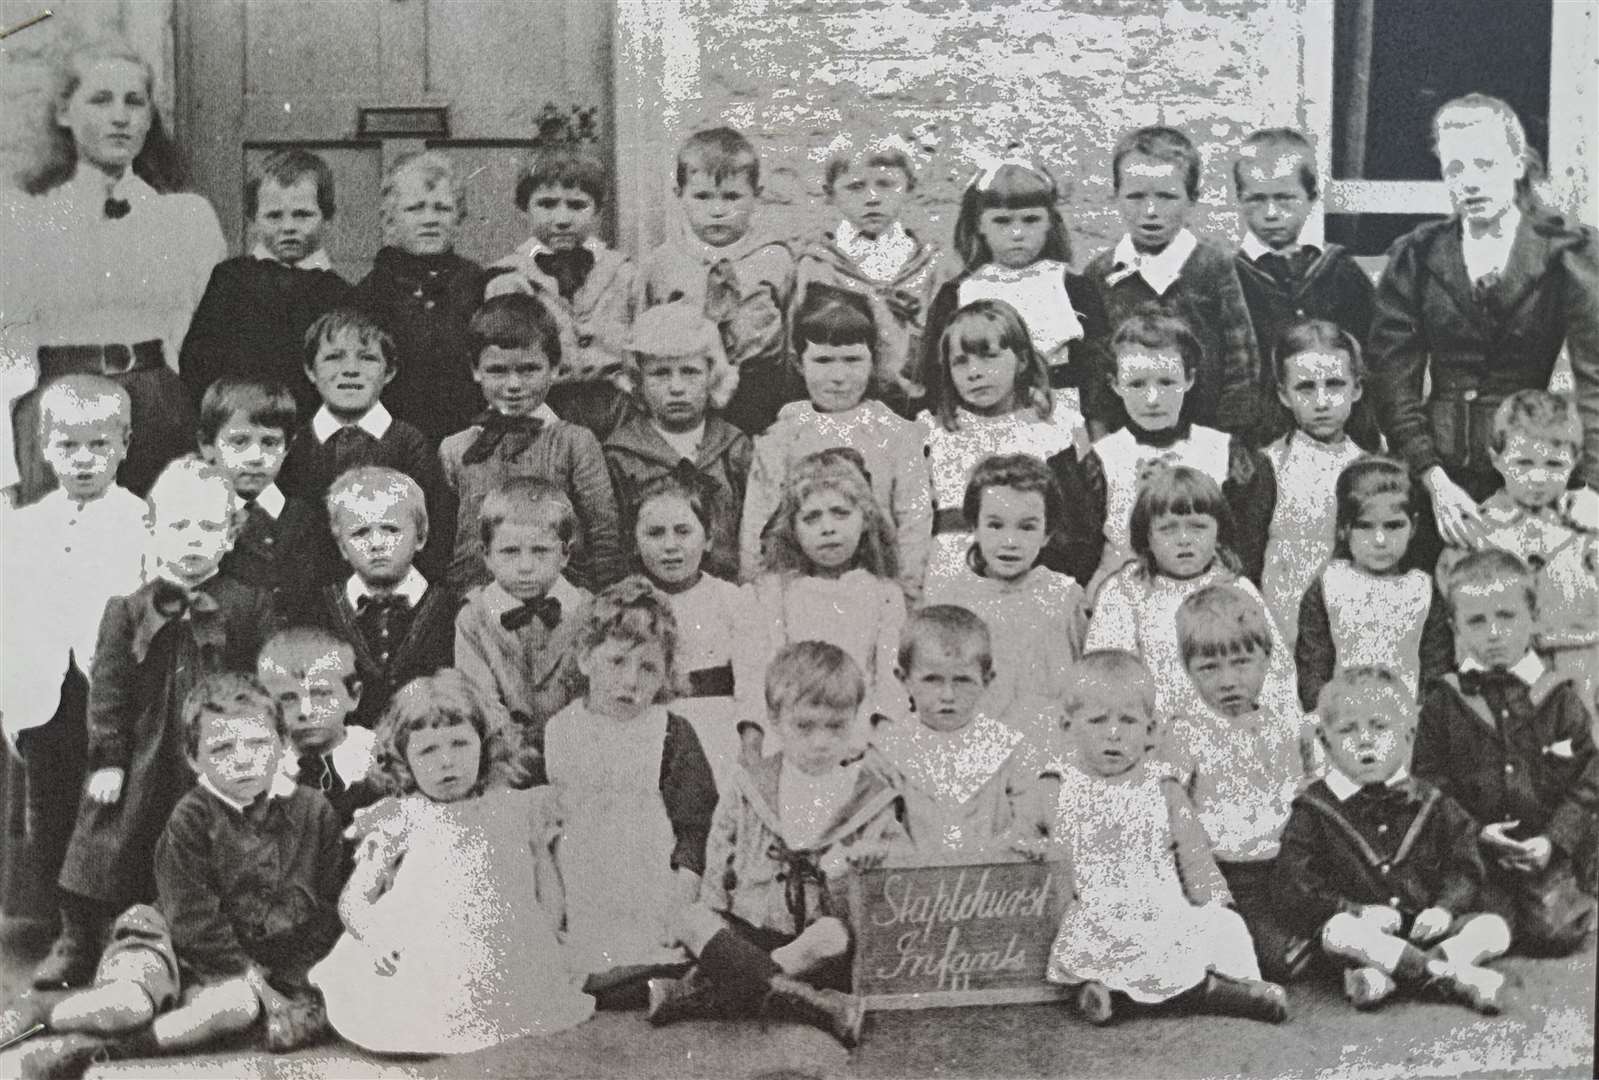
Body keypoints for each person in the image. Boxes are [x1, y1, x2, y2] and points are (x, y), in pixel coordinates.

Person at [3, 674, 344, 1078]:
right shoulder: (192, 817)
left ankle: (110, 1053)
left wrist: (286, 982)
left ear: (283, 744)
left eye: (258, 744)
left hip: (233, 968)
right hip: (167, 941)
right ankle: (45, 1011)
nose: (243, 759)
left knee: (237, 1007)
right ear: (194, 759)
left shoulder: (314, 812)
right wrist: (255, 977)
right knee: (128, 1005)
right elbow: (193, 920)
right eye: (221, 749)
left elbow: (325, 906)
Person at [40, 459, 273, 990]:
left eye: (210, 527)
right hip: (142, 752)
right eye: (179, 525)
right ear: (152, 530)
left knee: (200, 845)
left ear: (232, 535)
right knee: (106, 834)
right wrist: (109, 759)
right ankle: (79, 938)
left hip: (212, 755)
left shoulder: (248, 605)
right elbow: (110, 695)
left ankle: (188, 944)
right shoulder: (126, 609)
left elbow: (260, 687)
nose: (194, 540)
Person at [311, 671, 596, 1053]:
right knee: (401, 1009)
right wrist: (374, 940)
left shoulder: (515, 808)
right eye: (428, 750)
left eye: (460, 744)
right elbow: (355, 897)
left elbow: (544, 879)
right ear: (402, 759)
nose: (447, 762)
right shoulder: (401, 816)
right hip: (423, 950)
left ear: (486, 744)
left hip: (503, 946)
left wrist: (545, 939)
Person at [1368, 93, 1599, 558]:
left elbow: (1596, 377)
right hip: (1438, 476)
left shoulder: (1565, 253)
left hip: (1532, 473)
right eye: (1455, 169)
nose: (1469, 183)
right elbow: (1393, 379)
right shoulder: (1417, 256)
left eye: (1484, 165)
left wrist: (1593, 482)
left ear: (1518, 164)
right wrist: (1431, 478)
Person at [645, 641, 908, 1047]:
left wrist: (870, 861)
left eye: (835, 727)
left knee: (834, 936)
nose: (820, 742)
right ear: (774, 719)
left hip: (813, 943)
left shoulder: (867, 794)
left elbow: (899, 868)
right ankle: (810, 1003)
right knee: (692, 918)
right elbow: (720, 845)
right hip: (750, 924)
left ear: (854, 720)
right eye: (805, 727)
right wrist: (714, 909)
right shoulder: (753, 783)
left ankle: (709, 990)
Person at [3, 38, 225, 502]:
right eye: (101, 100)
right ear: (65, 112)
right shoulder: (26, 220)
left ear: (149, 117)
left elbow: (199, 338)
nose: (120, 116)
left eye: (135, 102)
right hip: (57, 410)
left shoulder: (186, 218)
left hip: (157, 408)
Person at [1042, 650, 1289, 1026]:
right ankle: (1202, 994)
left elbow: (1194, 853)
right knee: (1127, 951)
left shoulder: (1163, 785)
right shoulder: (1059, 786)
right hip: (1100, 915)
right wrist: (1025, 843)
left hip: (1163, 910)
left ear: (1151, 730)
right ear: (1067, 725)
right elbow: (1033, 842)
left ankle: (1244, 987)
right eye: (1096, 720)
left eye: (1127, 720)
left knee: (1226, 928)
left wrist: (1215, 899)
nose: (1113, 733)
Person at [1275, 666, 1512, 1013]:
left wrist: (1445, 909)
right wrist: (1354, 910)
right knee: (1339, 931)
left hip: (1425, 926)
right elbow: (1295, 884)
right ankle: (1450, 976)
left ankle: (1390, 977)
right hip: (1365, 935)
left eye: (1379, 727)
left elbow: (1465, 865)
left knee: (1494, 928)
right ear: (1325, 742)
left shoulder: (1433, 800)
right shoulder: (1315, 808)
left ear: (1408, 733)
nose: (1364, 740)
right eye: (1347, 730)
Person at [0, 377, 148, 929]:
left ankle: (113, 923)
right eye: (67, 447)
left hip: (106, 696)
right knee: (50, 811)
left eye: (99, 446)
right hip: (44, 694)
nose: (83, 461)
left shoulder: (139, 519)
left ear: (125, 445)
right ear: (42, 447)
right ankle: (65, 926)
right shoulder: (24, 526)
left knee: (110, 809)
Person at [1413, 549, 1598, 956]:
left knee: (1555, 933)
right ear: (1454, 626)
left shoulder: (1559, 696)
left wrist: (1553, 841)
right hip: (1474, 848)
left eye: (1506, 616)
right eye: (1476, 621)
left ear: (1532, 618)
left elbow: (1589, 783)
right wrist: (1475, 833)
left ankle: (1565, 886)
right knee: (1482, 919)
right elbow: (1428, 781)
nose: (1493, 633)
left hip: (1543, 847)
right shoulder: (1446, 700)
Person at [541, 578, 718, 1001]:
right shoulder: (557, 731)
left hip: (653, 883)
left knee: (662, 954)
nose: (631, 682)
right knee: (576, 969)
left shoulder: (670, 732)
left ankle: (660, 983)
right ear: (585, 659)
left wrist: (682, 897)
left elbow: (696, 827)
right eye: (617, 662)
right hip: (583, 887)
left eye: (648, 668)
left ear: (666, 673)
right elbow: (541, 831)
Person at [1051, 308, 1274, 600]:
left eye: (1166, 382)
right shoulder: (1099, 461)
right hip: (1124, 600)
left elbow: (1245, 548)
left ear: (1189, 379)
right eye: (1137, 384)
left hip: (1206, 601)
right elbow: (1079, 555)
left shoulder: (1225, 454)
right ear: (1115, 384)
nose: (1152, 399)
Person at [1163, 584, 1320, 983]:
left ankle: (1345, 950)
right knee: (1276, 957)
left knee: (1327, 918)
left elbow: (1309, 789)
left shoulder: (1286, 725)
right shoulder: (1185, 733)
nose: (1228, 681)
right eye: (1209, 668)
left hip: (1289, 864)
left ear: (1267, 660)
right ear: (1187, 669)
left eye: (1242, 662)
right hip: (1230, 872)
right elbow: (1171, 811)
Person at [739, 283, 933, 599]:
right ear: (800, 363)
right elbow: (756, 527)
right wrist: (759, 593)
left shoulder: (895, 434)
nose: (839, 376)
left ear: (873, 361)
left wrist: (906, 594)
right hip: (797, 592)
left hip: (879, 591)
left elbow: (914, 520)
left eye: (852, 360)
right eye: (824, 361)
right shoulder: (783, 436)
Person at [1083, 127, 1260, 440]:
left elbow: (1240, 360)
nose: (1150, 211)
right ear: (1115, 196)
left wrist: (1233, 439)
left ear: (1193, 199)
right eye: (1136, 196)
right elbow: (1096, 371)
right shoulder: (1101, 274)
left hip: (1206, 436)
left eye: (1166, 196)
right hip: (1128, 440)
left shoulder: (1213, 266)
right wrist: (1101, 440)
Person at [439, 293, 623, 593]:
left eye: (528, 369)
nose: (513, 385)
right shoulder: (456, 449)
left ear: (553, 368)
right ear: (475, 370)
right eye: (497, 370)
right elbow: (452, 542)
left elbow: (603, 531)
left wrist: (605, 600)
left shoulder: (574, 442)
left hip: (563, 602)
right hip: (481, 607)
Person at [733, 448, 909, 758]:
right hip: (788, 742)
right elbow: (757, 675)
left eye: (840, 513)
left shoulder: (884, 594)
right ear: (793, 529)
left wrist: (881, 744)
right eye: (812, 517)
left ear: (866, 518)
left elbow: (891, 683)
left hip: (859, 744)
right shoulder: (774, 592)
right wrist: (755, 743)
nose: (828, 528)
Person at [1436, 390, 1599, 718]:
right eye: (1523, 462)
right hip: (1504, 676)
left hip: (1582, 671)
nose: (1538, 477)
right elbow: (1455, 615)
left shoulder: (1586, 528)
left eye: (1553, 464)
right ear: (1497, 458)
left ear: (1574, 462)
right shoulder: (1476, 532)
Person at [1085, 465, 1292, 721]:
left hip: (1232, 727)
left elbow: (1276, 670)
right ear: (1146, 536)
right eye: (1168, 529)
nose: (1184, 539)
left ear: (1218, 532)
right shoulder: (1125, 593)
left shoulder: (1236, 588)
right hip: (1157, 733)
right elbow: (1107, 674)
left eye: (1197, 527)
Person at [276, 308, 457, 585]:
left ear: (390, 371)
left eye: (368, 358)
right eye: (333, 358)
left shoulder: (409, 443)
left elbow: (432, 531)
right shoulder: (296, 445)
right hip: (311, 591)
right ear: (310, 370)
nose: (350, 370)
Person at [636, 126, 797, 436]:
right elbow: (642, 337)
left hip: (760, 391)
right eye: (703, 196)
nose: (718, 210)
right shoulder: (662, 263)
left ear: (756, 196)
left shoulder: (774, 260)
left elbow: (792, 336)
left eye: (732, 196)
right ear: (678, 195)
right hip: (684, 388)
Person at [1230, 128, 1380, 447]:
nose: (1271, 213)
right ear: (1239, 200)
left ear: (1311, 197)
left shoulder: (1341, 271)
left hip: (1344, 441)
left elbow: (1377, 357)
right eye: (1256, 199)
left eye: (1285, 198)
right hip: (1258, 448)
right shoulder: (1229, 280)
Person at [921, 157, 1106, 416]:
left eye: (1030, 220)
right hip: (980, 424)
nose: (1017, 233)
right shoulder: (957, 294)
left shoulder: (1074, 289)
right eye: (1002, 221)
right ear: (979, 225)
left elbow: (1098, 374)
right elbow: (935, 377)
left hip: (1064, 425)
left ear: (1050, 222)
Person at [919, 300, 1085, 587]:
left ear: (1021, 361)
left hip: (1031, 573)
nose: (974, 372)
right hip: (950, 574)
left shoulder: (1052, 430)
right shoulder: (933, 433)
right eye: (961, 362)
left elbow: (1074, 525)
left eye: (989, 357)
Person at [179, 148, 351, 417]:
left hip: (312, 432)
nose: (288, 227)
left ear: (327, 217)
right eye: (273, 216)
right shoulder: (230, 280)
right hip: (240, 425)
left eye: (303, 214)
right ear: (253, 219)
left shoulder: (340, 294)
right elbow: (199, 362)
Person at [923, 454, 1086, 736]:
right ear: (974, 527)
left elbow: (1087, 678)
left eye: (1027, 527)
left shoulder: (1065, 596)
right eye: (996, 525)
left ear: (1047, 533)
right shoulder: (952, 600)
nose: (1010, 542)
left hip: (1049, 745)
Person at [874, 605, 1043, 857]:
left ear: (987, 680)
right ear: (904, 679)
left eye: (963, 680)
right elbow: (881, 828)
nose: (947, 695)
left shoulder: (1004, 746)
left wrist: (1018, 843)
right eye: (931, 680)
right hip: (915, 888)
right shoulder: (889, 750)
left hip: (993, 886)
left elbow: (1028, 819)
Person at [794, 131, 950, 404]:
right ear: (830, 194)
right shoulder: (819, 265)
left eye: (886, 184)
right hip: (840, 405)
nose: (872, 198)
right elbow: (796, 350)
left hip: (922, 406)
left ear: (909, 187)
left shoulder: (931, 265)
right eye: (855, 187)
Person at [453, 480, 592, 781]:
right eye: (510, 552)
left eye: (540, 551)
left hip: (579, 752)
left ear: (565, 554)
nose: (525, 566)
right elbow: (479, 699)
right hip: (504, 759)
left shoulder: (588, 612)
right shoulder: (474, 618)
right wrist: (511, 750)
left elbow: (593, 691)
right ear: (486, 554)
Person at [301, 466, 459, 729]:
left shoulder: (450, 609)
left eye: (390, 529)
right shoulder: (319, 612)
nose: (376, 543)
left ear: (420, 536)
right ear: (342, 546)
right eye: (360, 533)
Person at [603, 302, 750, 582]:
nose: (676, 387)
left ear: (712, 376)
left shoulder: (734, 447)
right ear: (638, 381)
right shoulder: (621, 455)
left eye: (690, 372)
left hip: (726, 594)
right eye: (660, 374)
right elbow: (613, 541)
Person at [1295, 456, 1453, 711]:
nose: (1380, 540)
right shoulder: (1329, 586)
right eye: (1365, 527)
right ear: (1344, 529)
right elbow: (1313, 667)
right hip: (1342, 721)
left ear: (1412, 526)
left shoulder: (1422, 590)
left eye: (1393, 526)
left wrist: (1422, 719)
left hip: (1408, 722)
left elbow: (1436, 667)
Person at [353, 151, 489, 444]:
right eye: (415, 209)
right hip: (394, 441)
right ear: (389, 219)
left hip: (468, 438)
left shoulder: (477, 284)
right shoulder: (370, 293)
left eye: (441, 208)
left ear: (459, 216)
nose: (430, 219)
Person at [1258, 321, 1372, 646]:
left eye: (1334, 385)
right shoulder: (1268, 466)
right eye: (1306, 388)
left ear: (1357, 388)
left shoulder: (1368, 468)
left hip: (1349, 623)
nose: (1321, 402)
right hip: (1282, 626)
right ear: (1283, 394)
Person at [486, 147, 637, 391]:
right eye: (547, 204)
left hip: (619, 404)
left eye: (577, 206)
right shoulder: (508, 278)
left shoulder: (624, 273)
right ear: (524, 208)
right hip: (543, 403)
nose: (562, 219)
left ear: (598, 210)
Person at [631, 475, 745, 788]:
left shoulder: (731, 599)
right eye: (655, 533)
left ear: (708, 538)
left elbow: (754, 677)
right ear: (635, 541)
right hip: (651, 729)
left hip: (721, 728)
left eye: (683, 532)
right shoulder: (628, 602)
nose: (670, 546)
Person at [196, 379, 323, 609]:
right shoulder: (197, 520)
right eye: (239, 442)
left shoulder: (305, 518)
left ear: (287, 449)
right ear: (207, 445)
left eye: (270, 442)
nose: (256, 456)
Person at [255, 627, 380, 827]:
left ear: (353, 696)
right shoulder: (260, 774)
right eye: (288, 698)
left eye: (321, 694)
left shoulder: (380, 761)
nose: (306, 711)